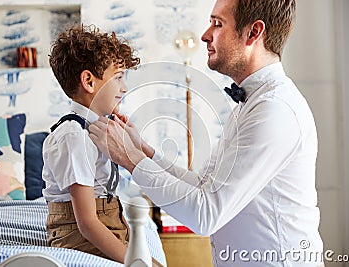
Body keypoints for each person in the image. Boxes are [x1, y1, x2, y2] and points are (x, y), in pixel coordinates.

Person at [89, 0, 325, 266]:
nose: (205, 35)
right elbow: (204, 186)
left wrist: (130, 159)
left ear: (253, 33)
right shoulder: (250, 105)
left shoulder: (274, 110)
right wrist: (144, 150)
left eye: (218, 23)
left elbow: (205, 215)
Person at [41, 24, 140, 264]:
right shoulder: (73, 137)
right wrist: (134, 261)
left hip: (105, 225)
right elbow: (86, 223)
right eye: (118, 78)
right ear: (89, 81)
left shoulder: (96, 129)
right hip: (80, 236)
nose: (124, 87)